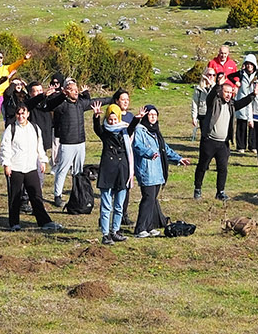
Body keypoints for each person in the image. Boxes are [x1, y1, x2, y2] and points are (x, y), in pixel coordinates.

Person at [31, 78, 92, 207]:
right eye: (72, 90)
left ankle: (78, 193)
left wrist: (113, 99)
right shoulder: (61, 104)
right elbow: (50, 105)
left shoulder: (79, 103)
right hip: (67, 142)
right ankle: (57, 195)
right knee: (62, 169)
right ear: (65, 91)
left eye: (77, 90)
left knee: (78, 170)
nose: (76, 92)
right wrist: (60, 95)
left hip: (80, 142)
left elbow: (94, 102)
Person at [0, 102, 54, 232]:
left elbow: (39, 146)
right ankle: (14, 223)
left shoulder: (34, 127)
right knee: (15, 197)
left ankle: (44, 221)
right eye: (18, 113)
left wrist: (42, 160)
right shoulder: (11, 129)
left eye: (23, 113)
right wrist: (6, 164)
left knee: (36, 195)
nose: (21, 116)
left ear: (28, 114)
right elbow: (5, 148)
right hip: (15, 167)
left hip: (31, 167)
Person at [130, 106, 183, 237]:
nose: (153, 117)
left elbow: (165, 149)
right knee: (148, 199)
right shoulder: (140, 130)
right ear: (145, 116)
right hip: (146, 170)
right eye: (150, 114)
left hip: (157, 171)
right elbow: (137, 146)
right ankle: (140, 228)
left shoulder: (156, 132)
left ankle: (149, 226)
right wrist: (149, 153)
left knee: (153, 199)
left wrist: (178, 159)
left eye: (155, 114)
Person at [93, 103, 135, 244]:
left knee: (119, 205)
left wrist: (138, 118)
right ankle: (105, 234)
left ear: (118, 118)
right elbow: (97, 129)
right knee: (106, 205)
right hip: (107, 170)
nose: (112, 122)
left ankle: (115, 231)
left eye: (115, 119)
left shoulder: (124, 131)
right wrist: (96, 116)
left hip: (122, 171)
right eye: (110, 120)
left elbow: (132, 127)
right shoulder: (105, 132)